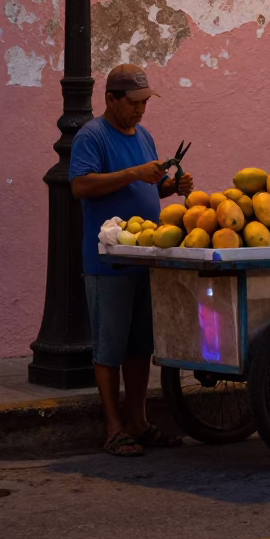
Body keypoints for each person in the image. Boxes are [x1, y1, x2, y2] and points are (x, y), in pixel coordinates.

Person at [69, 63, 194, 457]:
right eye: (134, 103)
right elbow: (81, 185)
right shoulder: (92, 136)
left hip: (145, 258)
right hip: (108, 262)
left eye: (145, 103)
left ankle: (138, 421)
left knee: (140, 346)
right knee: (109, 347)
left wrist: (173, 187)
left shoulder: (145, 136)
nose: (141, 111)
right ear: (110, 99)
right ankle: (114, 427)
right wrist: (133, 173)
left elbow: (149, 190)